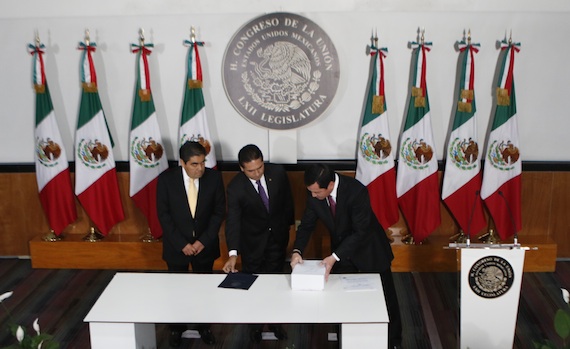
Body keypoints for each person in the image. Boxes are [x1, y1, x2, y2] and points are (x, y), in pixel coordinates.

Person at [290, 164, 403, 349]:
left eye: (317, 192)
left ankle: (394, 341)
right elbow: (306, 225)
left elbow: (361, 232)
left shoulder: (356, 191)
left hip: (369, 250)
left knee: (386, 299)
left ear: (330, 185)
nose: (313, 196)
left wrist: (334, 256)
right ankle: (346, 340)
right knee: (343, 298)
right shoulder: (314, 193)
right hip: (342, 253)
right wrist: (297, 251)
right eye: (310, 191)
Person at [222, 144, 295, 343]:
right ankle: (255, 326)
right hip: (252, 244)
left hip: (277, 240)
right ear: (241, 168)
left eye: (260, 167)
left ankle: (275, 323)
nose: (257, 173)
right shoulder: (236, 188)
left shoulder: (277, 172)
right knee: (253, 285)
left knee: (276, 283)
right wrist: (233, 253)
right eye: (251, 170)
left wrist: (289, 227)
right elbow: (233, 221)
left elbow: (287, 202)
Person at [157, 141, 226, 347]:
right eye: (195, 164)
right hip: (177, 248)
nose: (200, 168)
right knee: (177, 290)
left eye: (203, 163)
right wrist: (181, 244)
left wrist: (203, 241)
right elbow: (164, 215)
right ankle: (177, 328)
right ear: (182, 163)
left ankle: (204, 326)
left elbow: (218, 212)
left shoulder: (213, 178)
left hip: (204, 247)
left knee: (204, 289)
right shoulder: (166, 180)